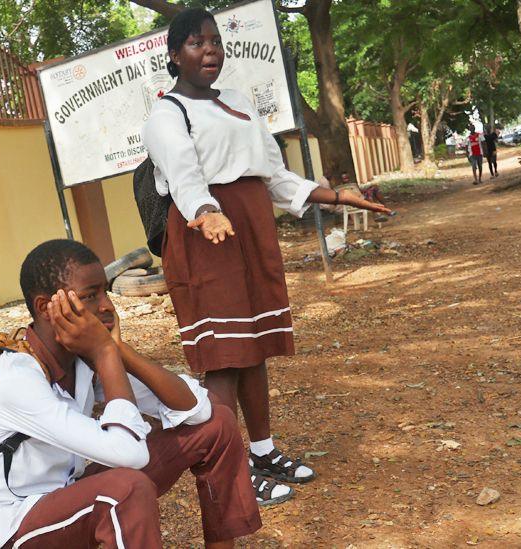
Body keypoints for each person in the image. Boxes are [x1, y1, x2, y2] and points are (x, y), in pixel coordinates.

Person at [142, 8, 389, 505]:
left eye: (214, 41)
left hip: (250, 230)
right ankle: (227, 470)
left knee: (253, 348)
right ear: (174, 55)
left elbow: (273, 174)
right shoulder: (167, 114)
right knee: (224, 357)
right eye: (196, 43)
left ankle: (262, 449)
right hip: (204, 235)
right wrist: (208, 212)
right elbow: (185, 177)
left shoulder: (236, 102)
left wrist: (337, 197)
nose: (210, 50)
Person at [0, 239, 261, 549]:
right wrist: (104, 352)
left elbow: (200, 411)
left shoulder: (81, 358)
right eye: (89, 296)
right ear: (46, 308)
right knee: (125, 489)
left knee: (218, 424)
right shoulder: (16, 378)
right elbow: (130, 454)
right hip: (10, 528)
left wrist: (118, 352)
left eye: (105, 291)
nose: (106, 306)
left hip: (67, 498)